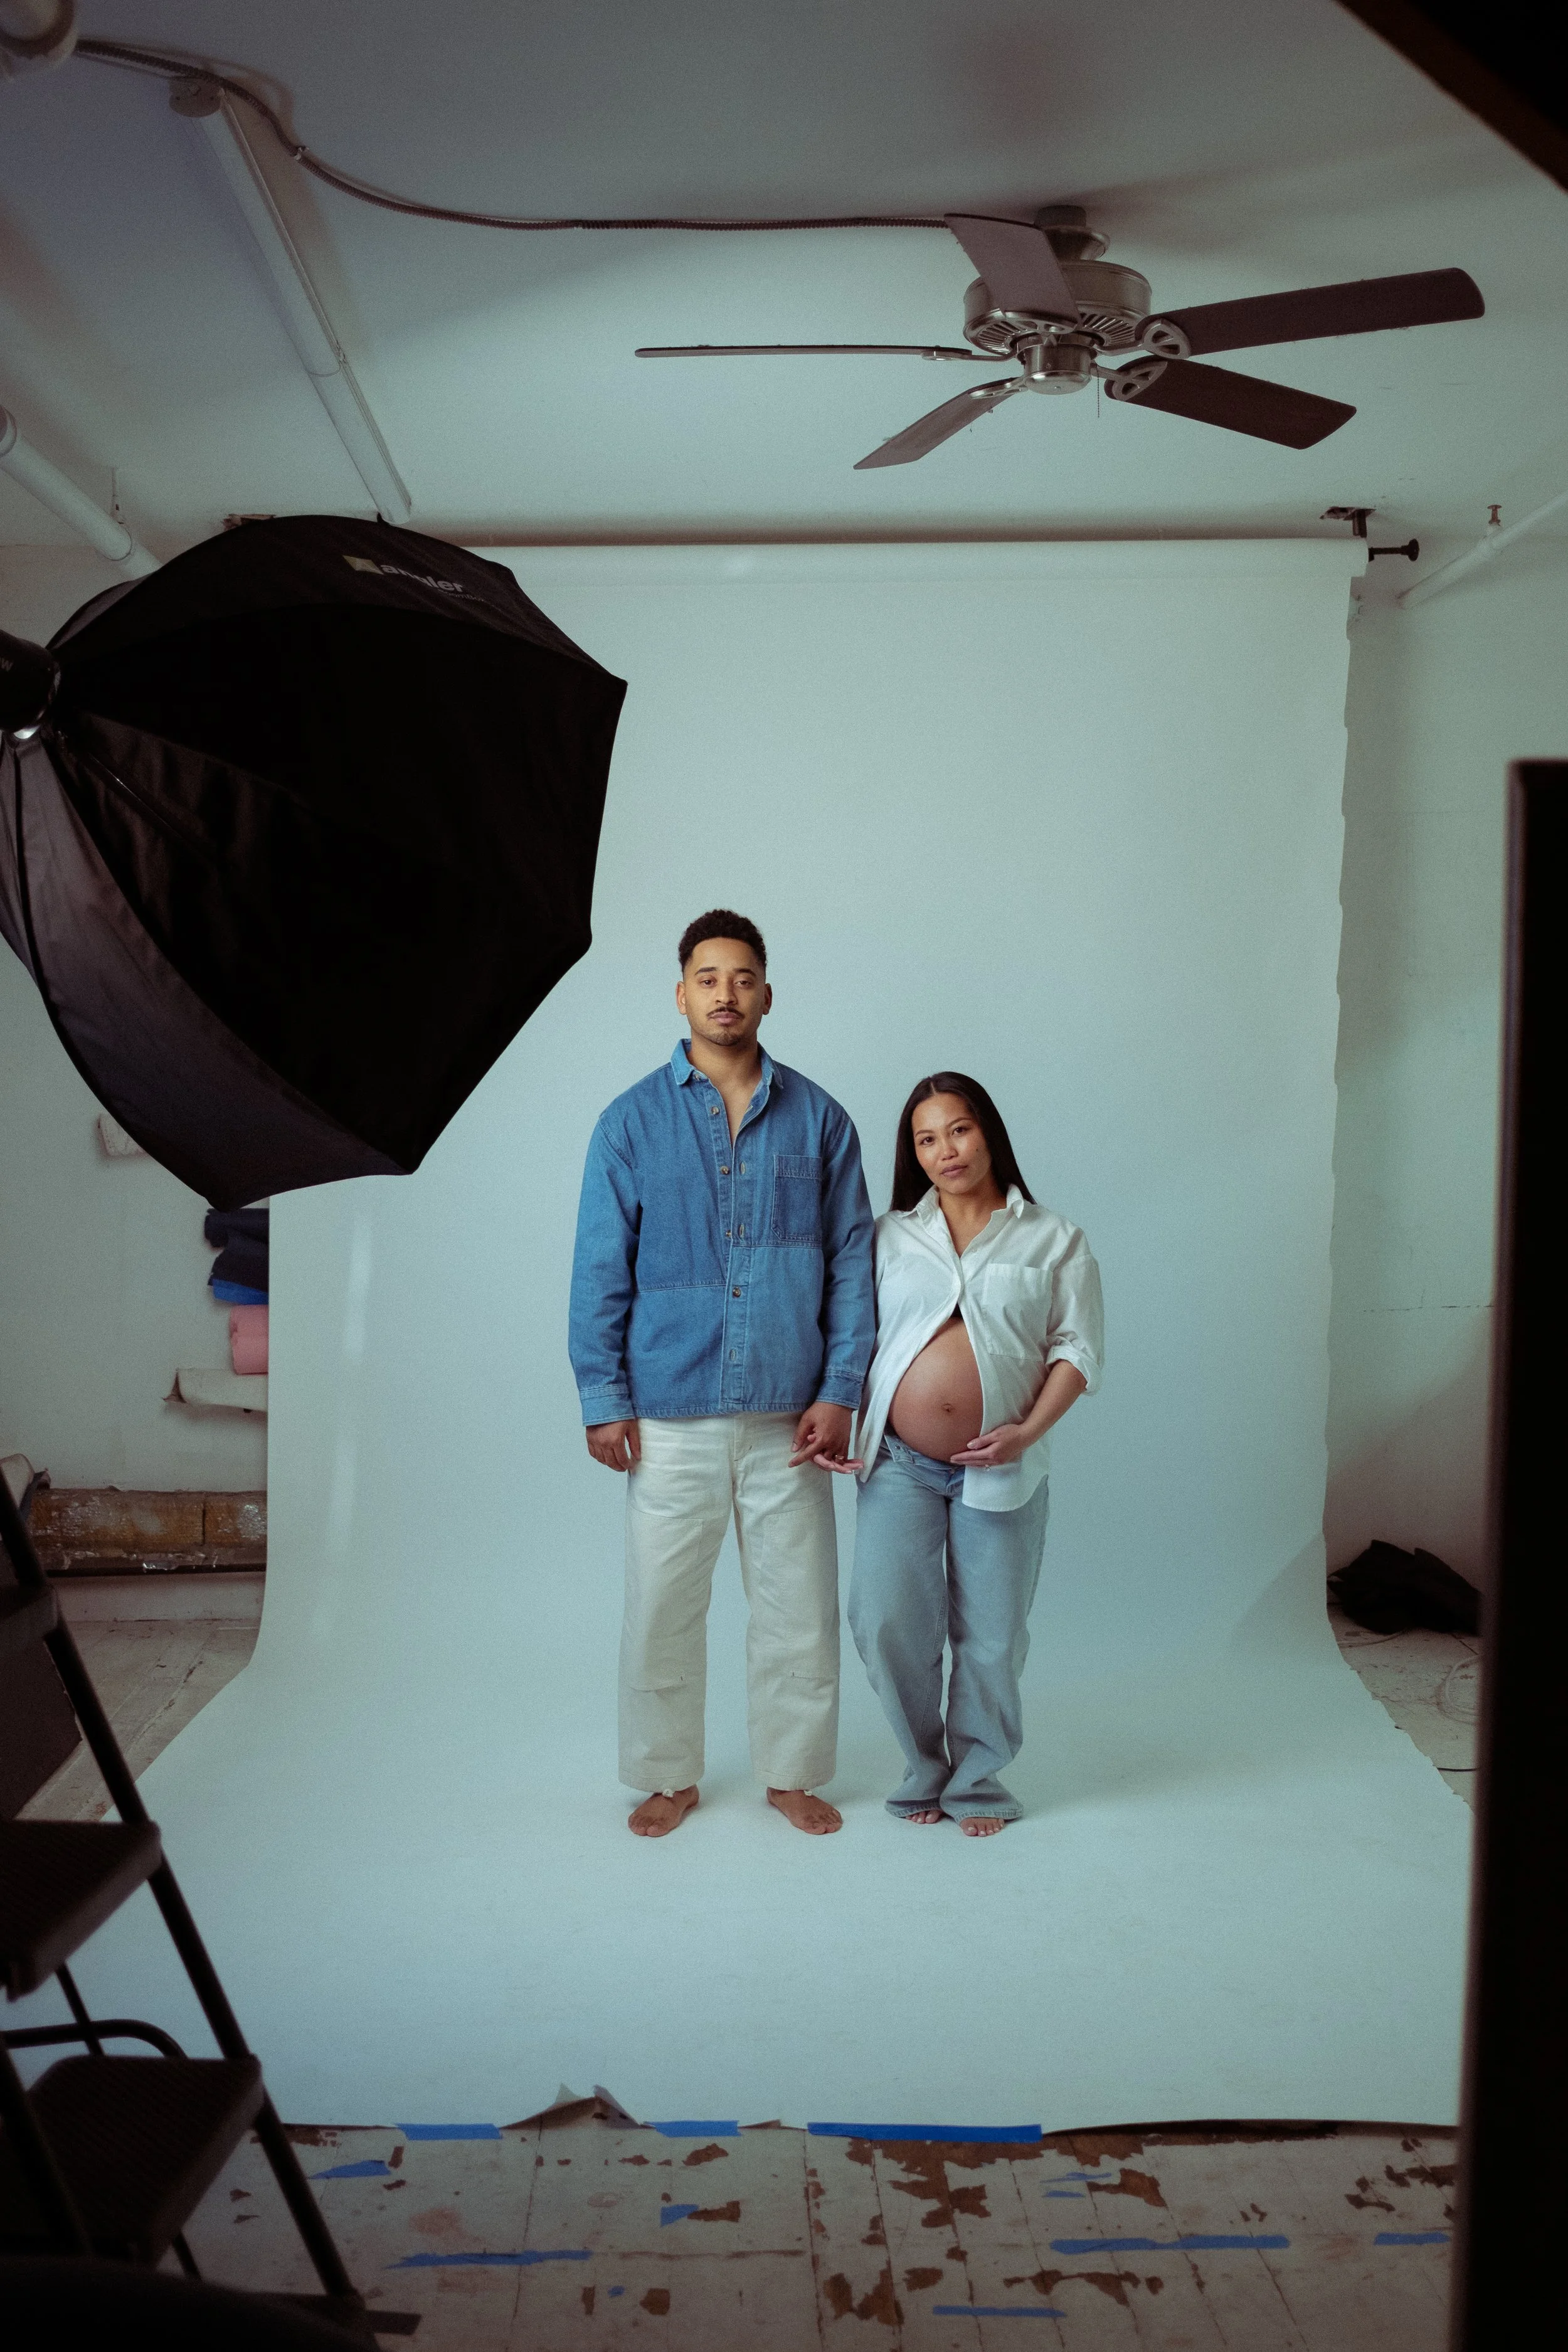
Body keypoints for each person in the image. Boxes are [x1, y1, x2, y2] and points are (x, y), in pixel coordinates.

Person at [569, 911, 875, 1839]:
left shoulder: (820, 1119)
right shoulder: (628, 1123)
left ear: (767, 993)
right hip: (669, 1408)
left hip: (792, 1416)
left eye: (743, 977)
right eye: (708, 977)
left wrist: (842, 1386)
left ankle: (792, 1772)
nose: (726, 993)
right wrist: (603, 1395)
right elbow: (598, 1267)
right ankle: (668, 1775)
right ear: (682, 993)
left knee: (799, 1611)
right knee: (662, 1608)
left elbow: (854, 1261)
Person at [849, 1074, 1102, 1835]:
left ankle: (978, 1783)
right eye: (926, 1139)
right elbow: (851, 1337)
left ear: (986, 1131)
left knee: (990, 1635)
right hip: (899, 1463)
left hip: (1003, 1465)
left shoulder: (1054, 1238)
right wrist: (839, 1418)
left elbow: (1078, 1349)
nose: (944, 1151)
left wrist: (1026, 1431)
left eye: (957, 1130)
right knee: (886, 1619)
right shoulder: (889, 1236)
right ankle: (924, 1768)